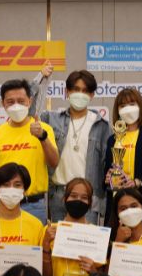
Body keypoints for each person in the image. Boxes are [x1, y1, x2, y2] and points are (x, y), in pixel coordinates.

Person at [39, 70, 112, 223]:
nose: (80, 94)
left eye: (85, 91)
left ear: (92, 95)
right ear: (67, 92)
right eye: (76, 89)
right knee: (58, 238)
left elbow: (109, 165)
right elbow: (30, 110)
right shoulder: (51, 119)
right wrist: (41, 79)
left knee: (87, 238)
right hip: (58, 195)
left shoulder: (101, 125)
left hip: (88, 196)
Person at [0, 78, 59, 223]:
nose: (16, 106)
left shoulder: (44, 129)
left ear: (30, 101)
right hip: (1, 203)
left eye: (21, 101)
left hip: (33, 205)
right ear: (3, 104)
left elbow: (54, 163)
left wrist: (42, 137)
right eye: (10, 102)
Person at [42, 178, 101, 276]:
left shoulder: (97, 234)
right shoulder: (50, 230)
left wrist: (93, 270)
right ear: (64, 199)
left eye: (84, 197)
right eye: (73, 196)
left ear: (90, 203)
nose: (78, 201)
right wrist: (46, 245)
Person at [103, 87, 142, 219]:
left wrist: (137, 182)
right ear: (117, 111)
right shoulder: (112, 139)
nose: (128, 109)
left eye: (132, 104)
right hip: (116, 204)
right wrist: (107, 179)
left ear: (140, 106)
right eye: (122, 106)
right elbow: (106, 172)